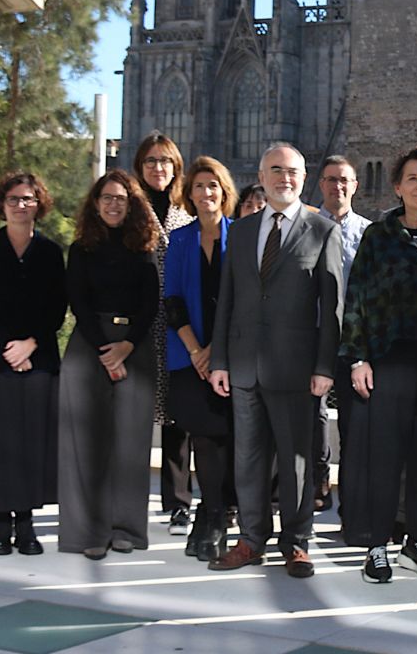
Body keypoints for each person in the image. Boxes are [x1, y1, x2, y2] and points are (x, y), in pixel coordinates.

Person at [208, 143, 344, 578]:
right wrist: (220, 360)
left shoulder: (322, 230)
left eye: (293, 171)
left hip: (298, 370)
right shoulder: (242, 230)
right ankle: (250, 540)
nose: (284, 178)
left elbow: (333, 308)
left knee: (296, 463)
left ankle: (297, 543)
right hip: (244, 367)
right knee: (247, 460)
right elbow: (227, 300)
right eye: (276, 171)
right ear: (261, 177)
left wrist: (325, 368)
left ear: (303, 178)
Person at [339, 145, 417, 584]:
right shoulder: (378, 235)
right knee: (384, 453)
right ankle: (377, 543)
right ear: (397, 185)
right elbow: (357, 300)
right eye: (413, 178)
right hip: (389, 357)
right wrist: (357, 359)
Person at [58, 170, 163, 559]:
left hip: (133, 347)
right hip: (90, 346)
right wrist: (106, 349)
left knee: (130, 445)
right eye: (107, 197)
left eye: (121, 198)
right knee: (85, 445)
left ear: (132, 203)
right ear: (95, 202)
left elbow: (151, 303)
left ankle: (127, 530)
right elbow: (78, 302)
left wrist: (125, 348)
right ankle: (88, 533)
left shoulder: (144, 246)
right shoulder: (81, 247)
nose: (114, 203)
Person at [0, 172, 66, 556]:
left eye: (28, 199)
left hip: (38, 359)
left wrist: (30, 345)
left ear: (39, 203)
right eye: (13, 199)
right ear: (1, 204)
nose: (21, 205)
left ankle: (26, 524)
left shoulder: (51, 252)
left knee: (30, 444)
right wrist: (9, 349)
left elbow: (57, 307)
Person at [162, 157, 238, 562]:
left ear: (224, 192)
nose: (206, 193)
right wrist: (197, 351)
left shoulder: (241, 237)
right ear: (189, 194)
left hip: (230, 356)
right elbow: (172, 300)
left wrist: (217, 351)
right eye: (199, 187)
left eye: (213, 186)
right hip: (189, 357)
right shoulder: (179, 240)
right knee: (205, 437)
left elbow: (243, 301)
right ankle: (210, 516)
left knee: (228, 438)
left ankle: (213, 516)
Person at [135, 132, 197, 538]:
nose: (159, 168)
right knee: (133, 419)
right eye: (151, 161)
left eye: (166, 161)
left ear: (176, 167)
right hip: (138, 329)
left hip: (176, 328)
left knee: (178, 420)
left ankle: (178, 504)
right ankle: (126, 501)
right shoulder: (129, 211)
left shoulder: (185, 214)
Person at [315, 155, 370, 513]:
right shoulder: (305, 227)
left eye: (344, 180)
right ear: (321, 184)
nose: (337, 186)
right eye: (331, 179)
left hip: (353, 341)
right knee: (311, 418)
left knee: (354, 423)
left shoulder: (369, 232)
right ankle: (318, 482)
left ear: (355, 186)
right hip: (312, 337)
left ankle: (352, 502)